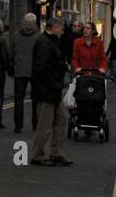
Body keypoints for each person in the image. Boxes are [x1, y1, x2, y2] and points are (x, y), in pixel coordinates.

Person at [29, 17, 73, 167]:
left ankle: (56, 153)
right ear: (54, 27)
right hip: (46, 91)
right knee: (44, 125)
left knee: (62, 119)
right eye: (61, 27)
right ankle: (37, 155)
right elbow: (41, 68)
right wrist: (53, 84)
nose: (63, 30)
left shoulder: (52, 41)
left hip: (53, 91)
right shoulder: (44, 42)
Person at [7, 11, 40, 133]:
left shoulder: (16, 35)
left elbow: (11, 53)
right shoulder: (38, 36)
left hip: (19, 69)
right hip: (34, 71)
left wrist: (11, 67)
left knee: (18, 99)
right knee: (36, 99)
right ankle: (35, 124)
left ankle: (18, 125)